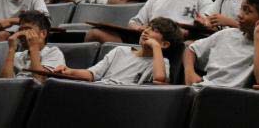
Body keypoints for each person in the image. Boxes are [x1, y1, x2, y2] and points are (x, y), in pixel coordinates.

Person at [184, 0, 259, 88]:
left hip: (234, 97)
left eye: (247, 11)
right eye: (241, 8)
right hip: (203, 89)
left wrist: (258, 37)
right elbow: (191, 49)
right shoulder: (226, 34)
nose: (240, 15)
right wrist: (189, 73)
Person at [55, 17, 183, 84]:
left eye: (154, 30)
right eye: (147, 27)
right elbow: (92, 75)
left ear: (165, 44)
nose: (146, 31)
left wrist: (155, 47)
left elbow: (159, 79)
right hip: (99, 90)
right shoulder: (120, 51)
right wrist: (70, 71)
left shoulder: (161, 62)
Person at [0, 10, 65, 82]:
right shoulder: (17, 56)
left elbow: (40, 80)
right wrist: (11, 49)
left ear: (43, 33)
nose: (22, 34)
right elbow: (5, 83)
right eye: (20, 30)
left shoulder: (53, 53)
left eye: (28, 29)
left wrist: (34, 47)